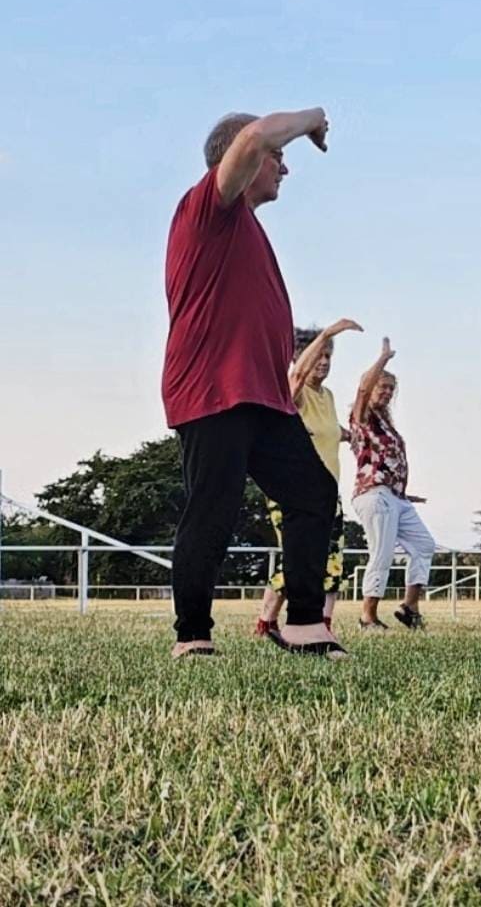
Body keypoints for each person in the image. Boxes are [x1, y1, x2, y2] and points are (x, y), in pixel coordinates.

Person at [162, 108, 344, 660]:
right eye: (278, 159)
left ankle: (308, 624)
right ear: (240, 161)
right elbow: (253, 135)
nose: (284, 169)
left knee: (314, 494)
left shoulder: (244, 227)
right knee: (212, 509)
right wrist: (314, 118)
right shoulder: (209, 209)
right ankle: (192, 635)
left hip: (264, 398)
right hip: (214, 390)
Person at [254, 318, 362, 639]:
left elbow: (327, 430)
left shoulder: (326, 396)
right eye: (318, 354)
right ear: (298, 357)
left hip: (326, 491)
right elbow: (297, 377)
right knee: (298, 556)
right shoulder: (291, 390)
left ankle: (321, 626)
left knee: (331, 561)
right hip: (289, 490)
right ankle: (266, 622)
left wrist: (349, 435)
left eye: (329, 355)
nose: (324, 361)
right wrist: (327, 332)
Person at [348, 338, 439, 631]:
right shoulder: (362, 418)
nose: (386, 392)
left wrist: (404, 492)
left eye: (390, 389)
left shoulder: (387, 425)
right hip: (373, 494)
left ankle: (409, 607)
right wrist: (383, 360)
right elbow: (362, 388)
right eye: (382, 387)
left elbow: (388, 461)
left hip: (395, 496)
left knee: (424, 545)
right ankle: (368, 615)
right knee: (382, 553)